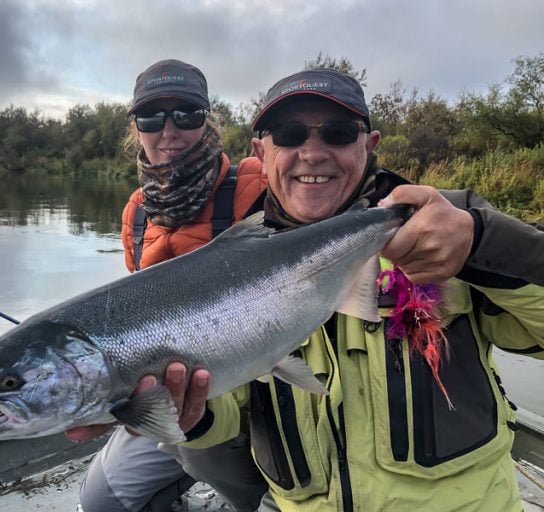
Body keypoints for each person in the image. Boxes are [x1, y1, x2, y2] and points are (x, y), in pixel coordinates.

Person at [161, 68, 544, 511]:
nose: (312, 153)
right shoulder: (232, 263)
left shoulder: (446, 224)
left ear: (370, 144)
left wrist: (483, 240)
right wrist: (193, 416)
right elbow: (229, 416)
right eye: (289, 134)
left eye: (339, 133)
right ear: (261, 153)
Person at [67, 59, 269, 512]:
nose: (169, 130)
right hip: (168, 397)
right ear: (136, 129)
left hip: (262, 390)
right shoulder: (135, 214)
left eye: (187, 114)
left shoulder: (262, 184)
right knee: (102, 503)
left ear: (209, 120)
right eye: (152, 117)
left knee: (208, 451)